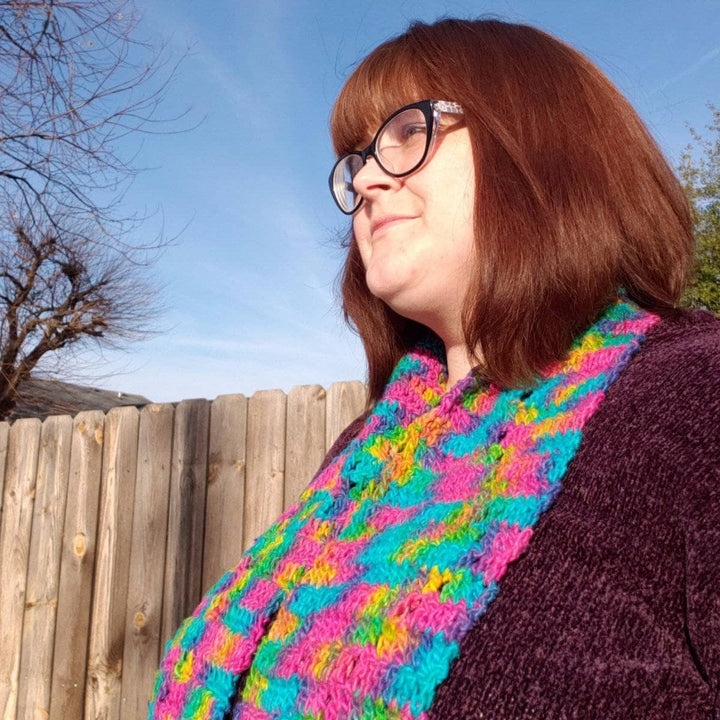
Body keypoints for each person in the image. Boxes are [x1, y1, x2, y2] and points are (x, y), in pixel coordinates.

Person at [149, 18, 719, 720]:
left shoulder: (695, 399)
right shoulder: (369, 451)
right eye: (356, 162)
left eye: (408, 135)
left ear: (543, 140)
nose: (368, 181)